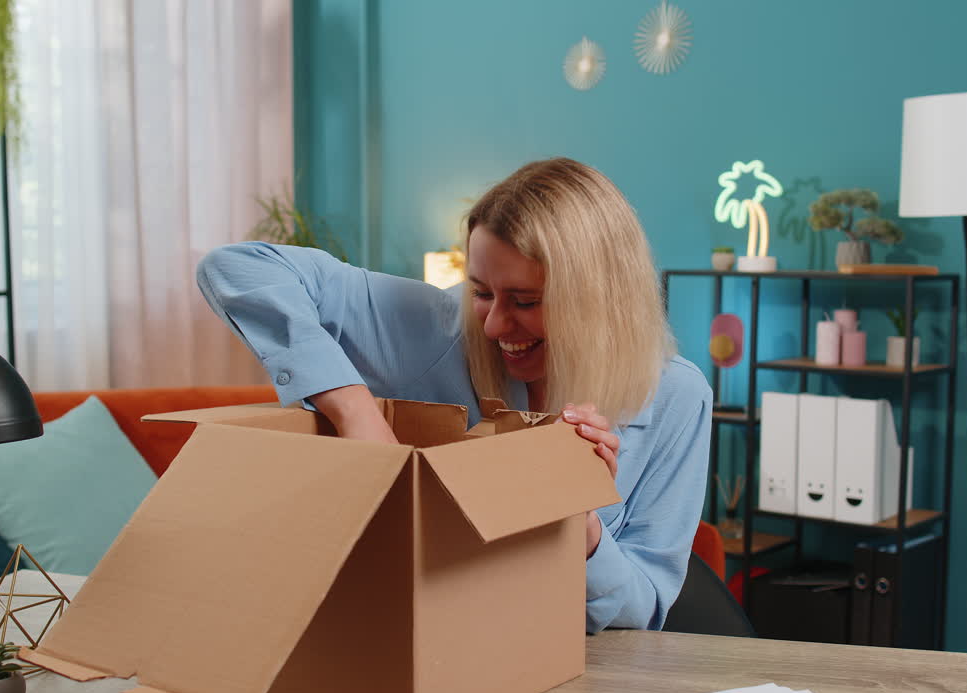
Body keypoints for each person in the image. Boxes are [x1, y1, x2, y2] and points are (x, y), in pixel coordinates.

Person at [197, 157, 712, 632]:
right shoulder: (436, 325)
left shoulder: (677, 398)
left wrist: (580, 526)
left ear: (598, 298)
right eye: (482, 291)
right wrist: (355, 409)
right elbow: (239, 267)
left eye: (526, 301)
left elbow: (644, 609)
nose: (492, 325)